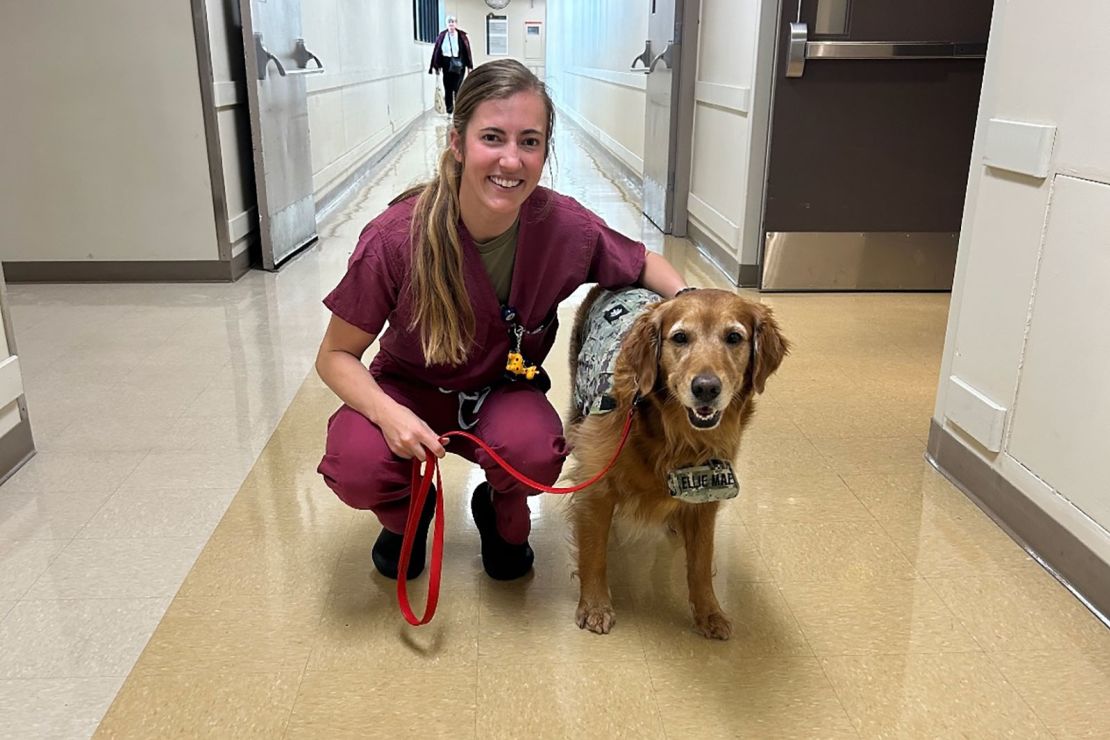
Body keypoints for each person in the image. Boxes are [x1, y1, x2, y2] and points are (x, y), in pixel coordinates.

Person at [316, 59, 686, 584]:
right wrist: (388, 415)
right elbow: (335, 355)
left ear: (544, 150)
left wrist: (695, 303)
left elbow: (642, 262)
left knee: (536, 452)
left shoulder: (561, 225)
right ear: (458, 142)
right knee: (359, 463)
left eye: (529, 141)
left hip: (503, 389)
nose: (511, 160)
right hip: (409, 389)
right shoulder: (396, 239)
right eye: (493, 137)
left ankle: (500, 513)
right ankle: (406, 516)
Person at [428, 16, 473, 116]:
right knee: (447, 87)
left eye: (453, 22)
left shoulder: (462, 36)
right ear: (446, 24)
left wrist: (469, 66)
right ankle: (449, 110)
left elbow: (467, 51)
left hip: (459, 63)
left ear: (456, 24)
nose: (451, 24)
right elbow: (437, 51)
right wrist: (436, 66)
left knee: (457, 87)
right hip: (446, 63)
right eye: (449, 22)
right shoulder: (442, 35)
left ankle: (458, 110)